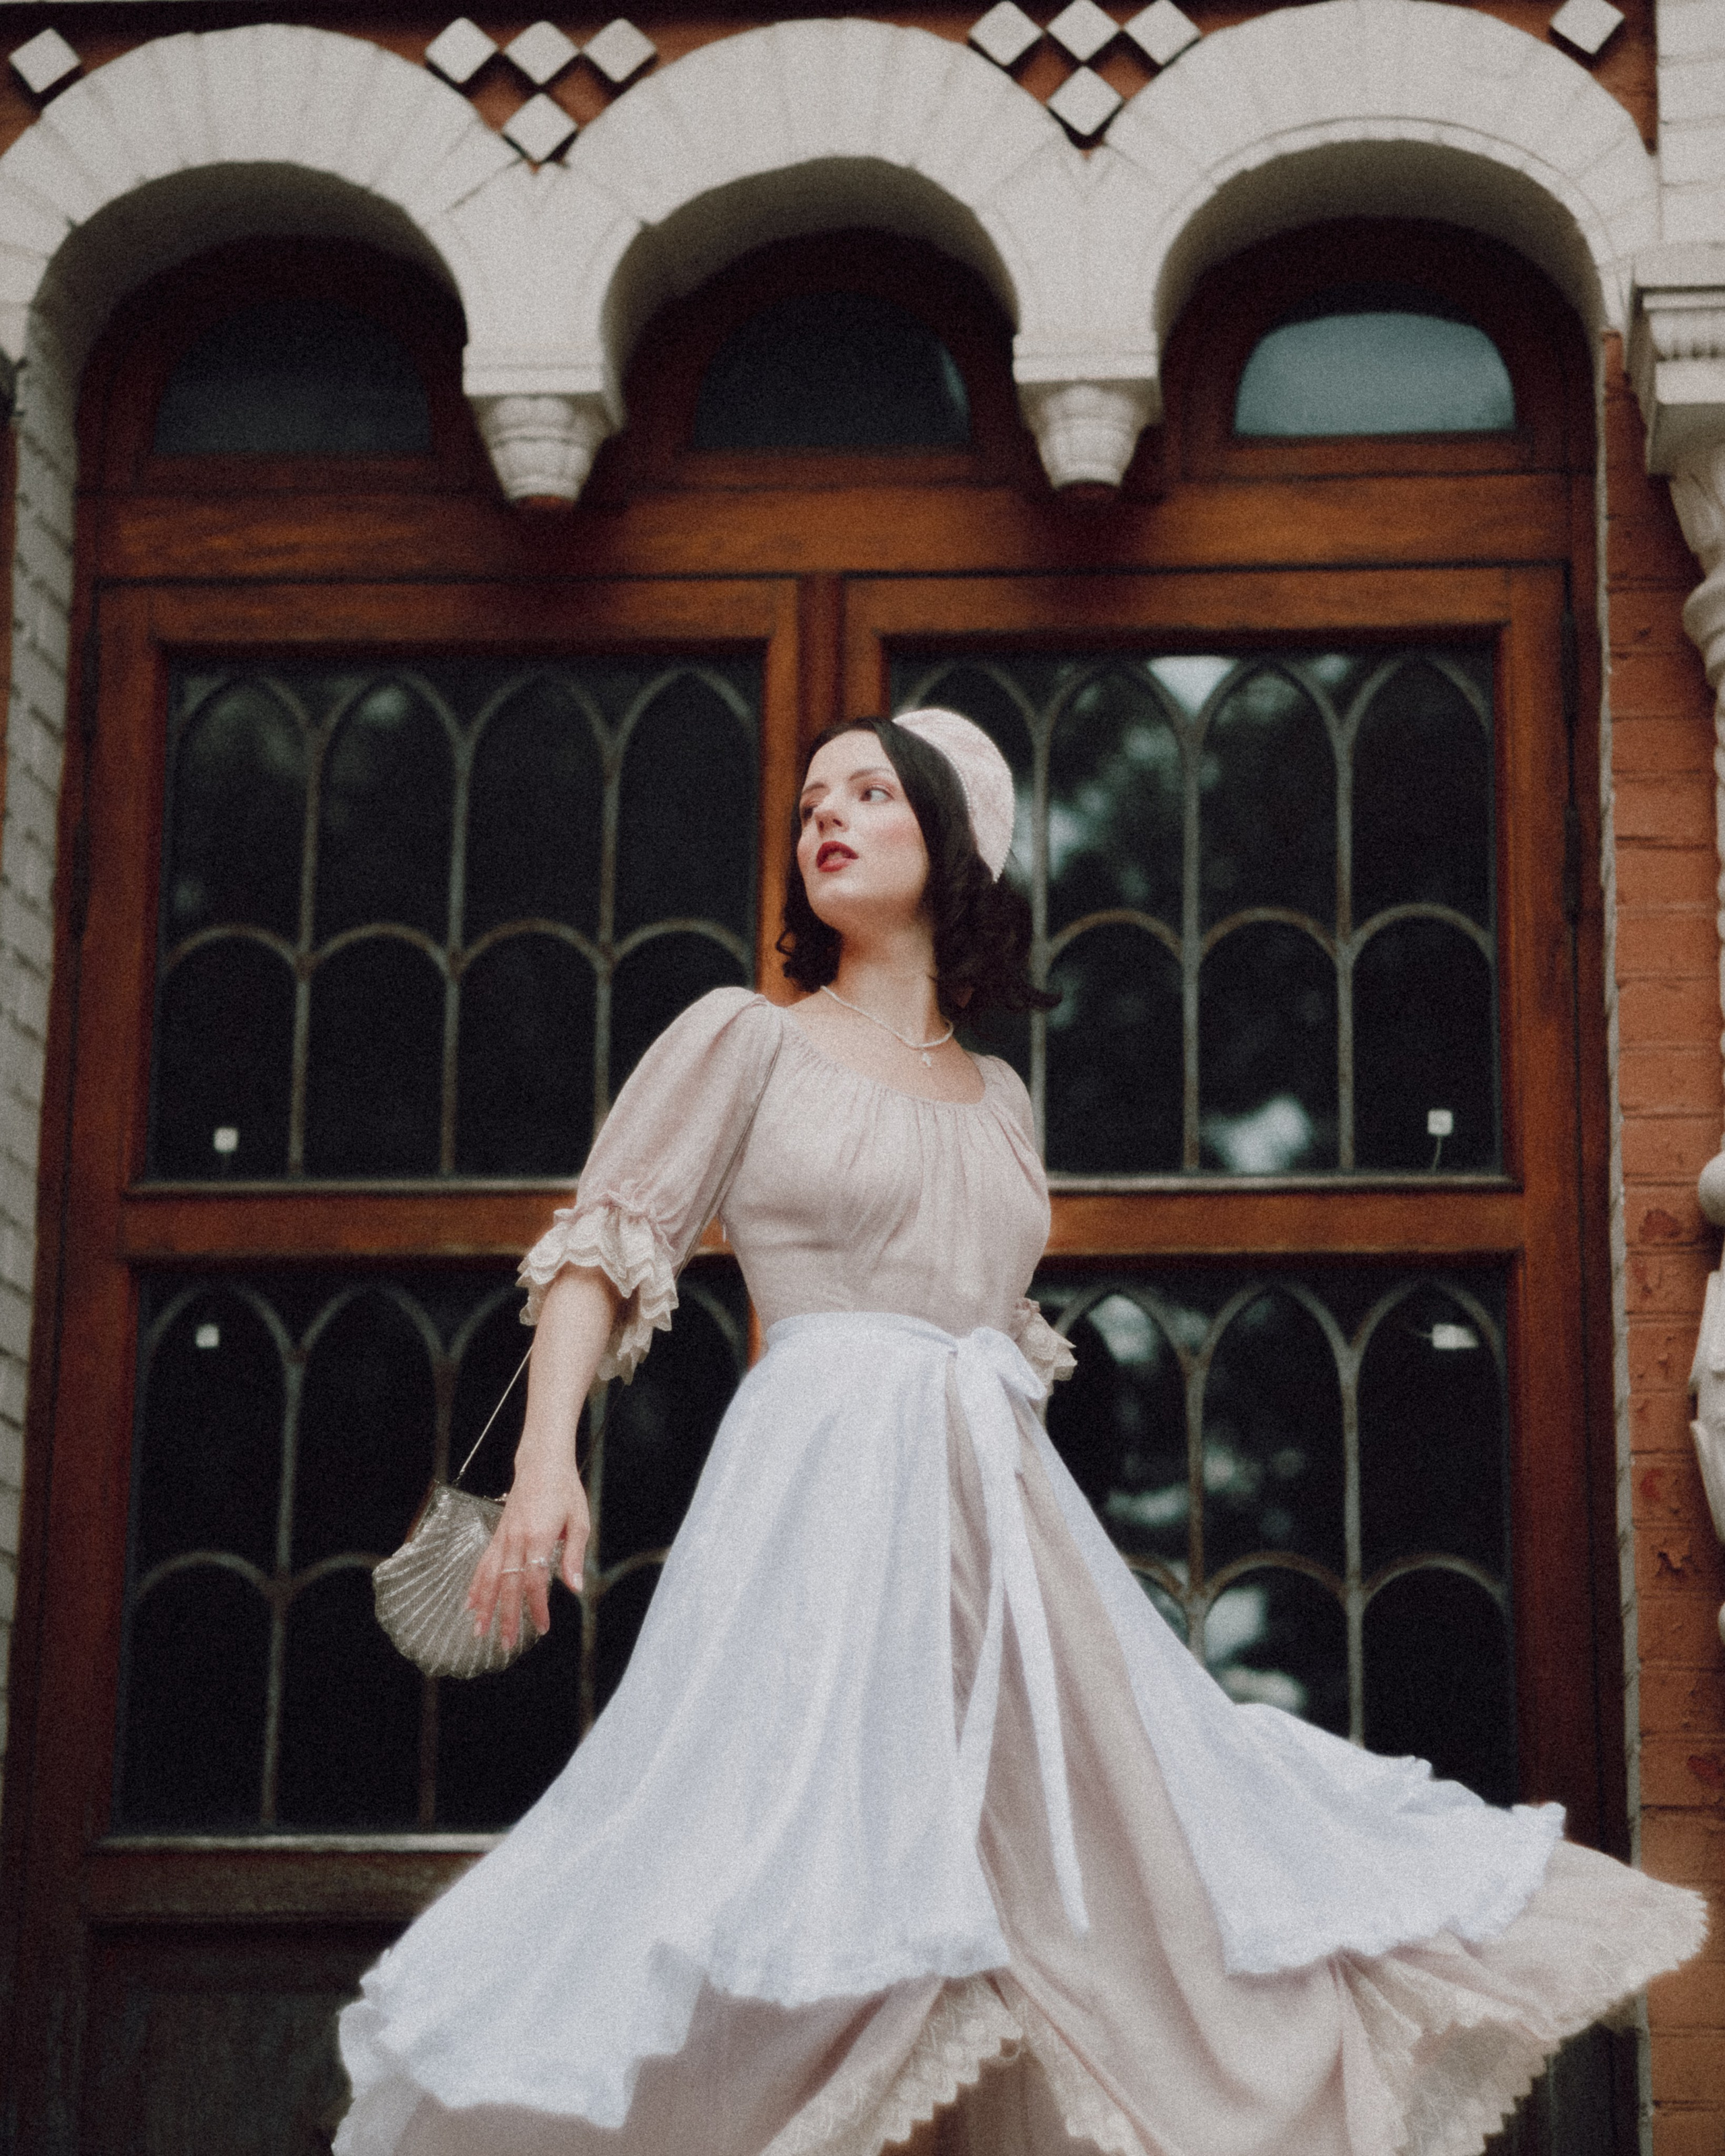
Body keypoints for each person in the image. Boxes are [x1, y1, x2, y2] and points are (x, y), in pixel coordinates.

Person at [336, 709, 1705, 2156]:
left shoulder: (1001, 1101)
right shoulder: (743, 1035)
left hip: (989, 1519)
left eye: (870, 792)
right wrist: (546, 1456)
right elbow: (605, 1250)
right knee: (762, 1860)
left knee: (1120, 1855)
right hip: (814, 1494)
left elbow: (994, 1330)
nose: (826, 817)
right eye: (811, 799)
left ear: (953, 848)